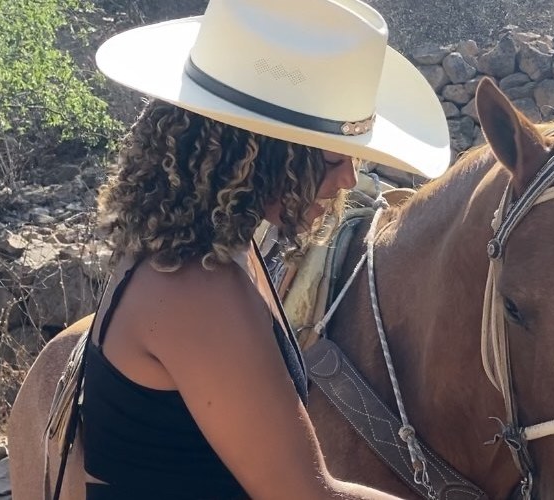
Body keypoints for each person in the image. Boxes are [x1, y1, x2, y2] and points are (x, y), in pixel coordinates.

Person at [70, 0, 452, 498]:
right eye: (333, 157)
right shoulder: (196, 290)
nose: (349, 179)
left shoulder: (213, 253)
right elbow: (303, 494)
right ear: (258, 152)